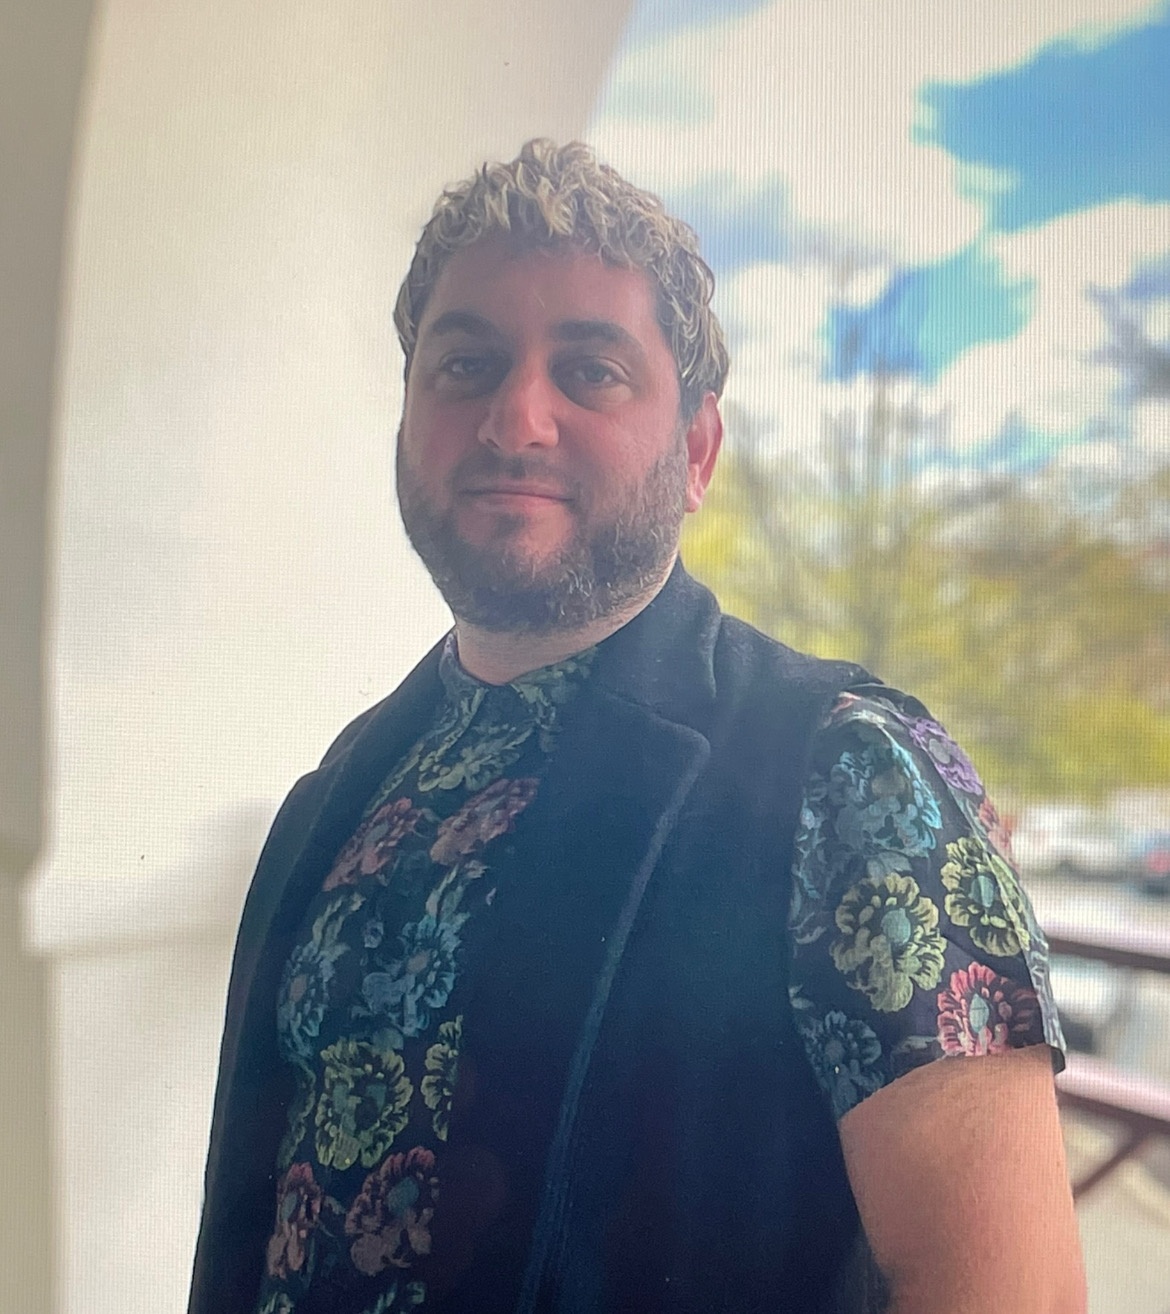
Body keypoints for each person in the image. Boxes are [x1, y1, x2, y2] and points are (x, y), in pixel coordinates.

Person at [190, 139, 1086, 1314]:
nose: (517, 416)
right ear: (408, 419)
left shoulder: (856, 777)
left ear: (698, 449)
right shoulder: (346, 788)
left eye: (591, 371)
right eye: (465, 363)